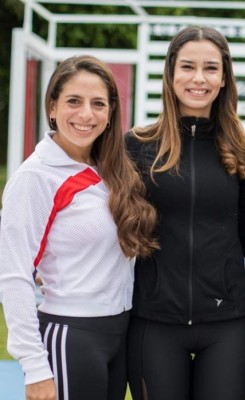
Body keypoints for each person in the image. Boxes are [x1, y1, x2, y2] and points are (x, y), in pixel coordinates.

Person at [0, 55, 158, 400]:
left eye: (98, 103)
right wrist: (35, 367)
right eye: (74, 101)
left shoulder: (113, 169)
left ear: (110, 112)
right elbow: (13, 275)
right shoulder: (35, 178)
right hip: (71, 336)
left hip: (121, 331)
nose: (86, 114)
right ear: (52, 107)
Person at [125, 26, 245, 400]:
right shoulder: (136, 146)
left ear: (224, 77)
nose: (199, 78)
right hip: (154, 322)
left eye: (211, 68)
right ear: (170, 73)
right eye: (188, 66)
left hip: (227, 324)